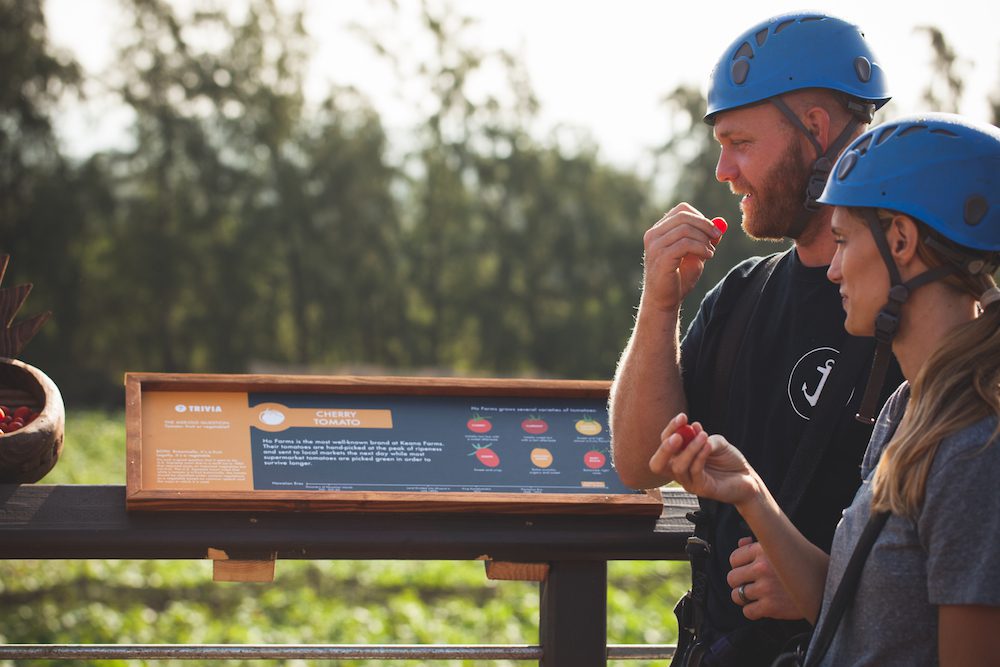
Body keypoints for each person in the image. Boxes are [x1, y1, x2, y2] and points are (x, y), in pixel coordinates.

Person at [609, 11, 903, 665]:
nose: (722, 169)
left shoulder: (912, 304)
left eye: (739, 141)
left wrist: (826, 586)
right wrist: (660, 305)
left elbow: (952, 543)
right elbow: (637, 462)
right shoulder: (742, 295)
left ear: (816, 131)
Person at [654, 112, 1000, 665]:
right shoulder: (906, 408)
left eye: (842, 241)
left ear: (902, 242)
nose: (833, 270)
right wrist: (749, 491)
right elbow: (851, 612)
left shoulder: (974, 447)